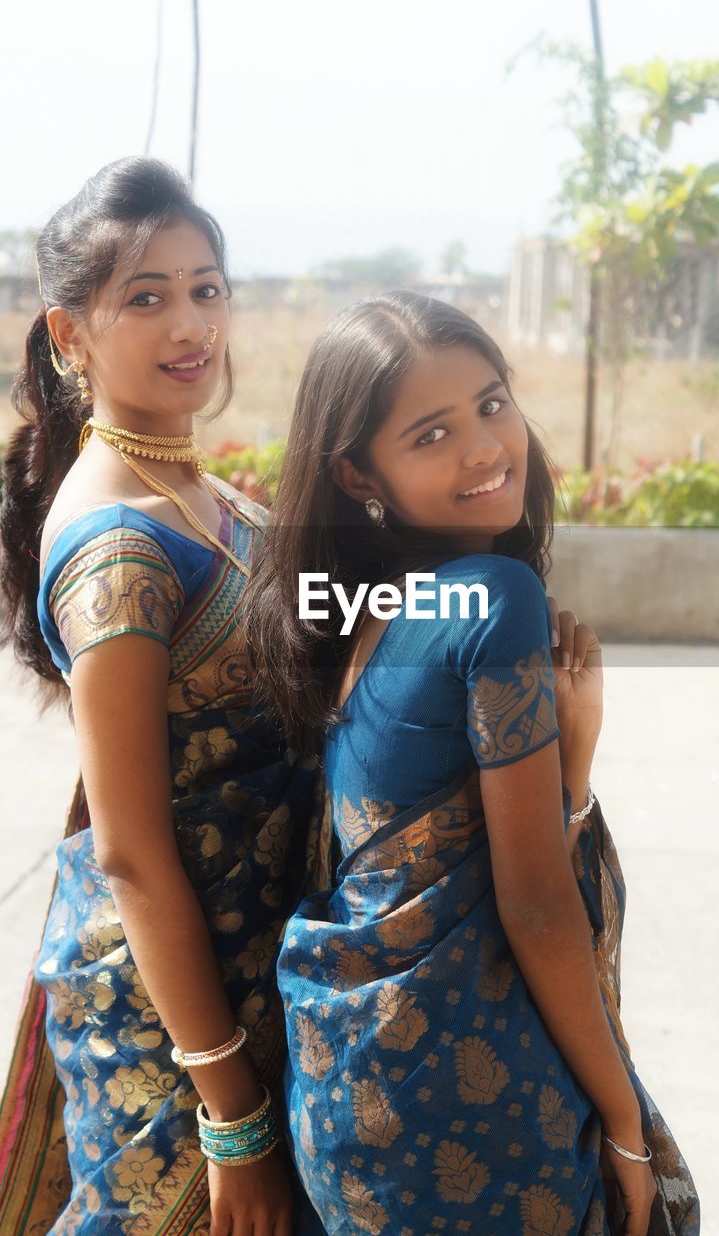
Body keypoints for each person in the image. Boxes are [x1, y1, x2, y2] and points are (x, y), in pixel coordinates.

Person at [242, 292, 700, 1235]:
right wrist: (623, 1125)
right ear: (357, 471)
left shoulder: (361, 609)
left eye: (492, 404)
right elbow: (531, 900)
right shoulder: (492, 597)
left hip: (348, 1106)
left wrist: (566, 760)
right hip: (463, 1105)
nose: (486, 448)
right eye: (432, 433)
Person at [0, 158, 318, 1236]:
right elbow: (132, 850)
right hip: (176, 1028)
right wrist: (231, 1113)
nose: (191, 323)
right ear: (69, 333)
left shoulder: (197, 484)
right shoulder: (118, 544)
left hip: (255, 971)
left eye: (206, 286)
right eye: (147, 296)